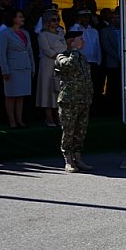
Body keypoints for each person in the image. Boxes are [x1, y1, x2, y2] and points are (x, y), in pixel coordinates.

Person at [55, 31, 93, 172]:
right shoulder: (61, 56)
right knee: (69, 131)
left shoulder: (82, 57)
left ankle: (78, 158)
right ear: (72, 41)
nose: (83, 41)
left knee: (80, 131)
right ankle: (69, 160)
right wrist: (75, 50)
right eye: (80, 39)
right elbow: (68, 65)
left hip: (83, 99)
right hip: (69, 100)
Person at [0, 9, 35, 129]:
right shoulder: (5, 33)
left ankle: (19, 120)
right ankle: (12, 121)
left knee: (21, 95)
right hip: (12, 68)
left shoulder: (26, 33)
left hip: (25, 67)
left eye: (22, 17)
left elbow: (29, 51)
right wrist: (5, 70)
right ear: (13, 19)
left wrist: (32, 67)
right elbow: (2, 53)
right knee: (11, 95)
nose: (23, 19)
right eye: (20, 17)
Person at [35, 10, 66, 127]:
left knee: (59, 92)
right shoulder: (42, 35)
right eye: (53, 20)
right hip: (48, 65)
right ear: (47, 22)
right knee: (47, 91)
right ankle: (49, 118)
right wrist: (59, 56)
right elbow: (47, 50)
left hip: (60, 65)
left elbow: (65, 47)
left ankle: (59, 117)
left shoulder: (61, 34)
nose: (56, 22)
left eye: (58, 19)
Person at [69, 8, 103, 107]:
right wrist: (77, 23)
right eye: (83, 16)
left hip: (93, 62)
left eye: (87, 16)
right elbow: (71, 41)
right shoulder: (75, 29)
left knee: (94, 86)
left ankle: (94, 107)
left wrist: (98, 61)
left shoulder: (94, 31)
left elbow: (97, 47)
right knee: (81, 86)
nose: (86, 19)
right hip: (80, 62)